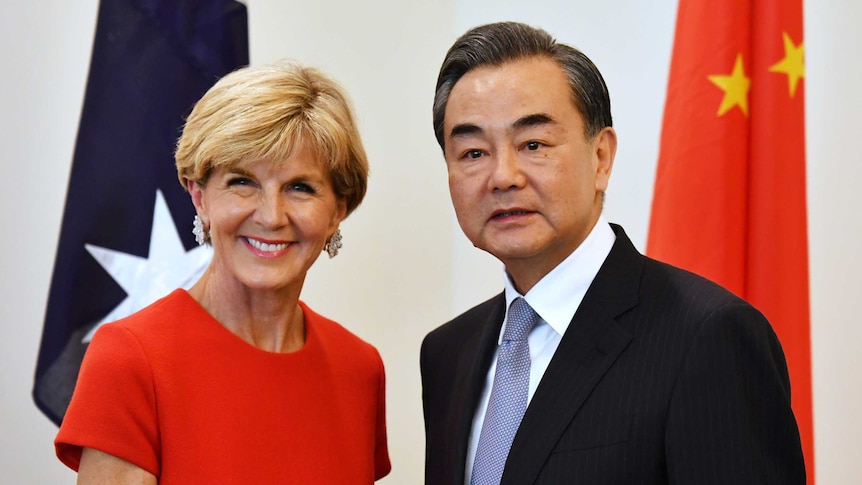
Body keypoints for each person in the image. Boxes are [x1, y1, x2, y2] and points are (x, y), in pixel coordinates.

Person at [420, 21, 805, 484]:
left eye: (533, 144)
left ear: (601, 157)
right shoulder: (446, 353)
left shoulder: (707, 336)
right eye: (473, 153)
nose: (503, 176)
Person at [55, 61, 391, 483]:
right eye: (242, 182)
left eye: (300, 187)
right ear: (199, 197)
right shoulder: (130, 359)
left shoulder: (359, 369)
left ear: (337, 211)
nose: (271, 216)